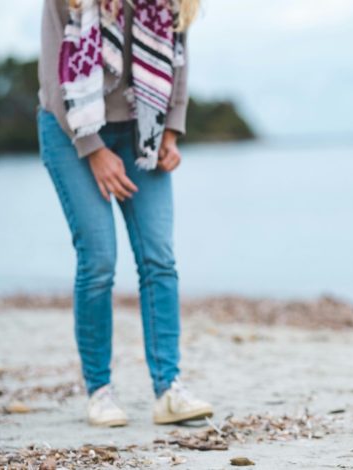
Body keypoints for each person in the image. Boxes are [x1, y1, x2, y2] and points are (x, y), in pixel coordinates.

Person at [37, 0, 212, 427]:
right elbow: (54, 74)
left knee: (159, 260)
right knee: (98, 261)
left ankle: (168, 389)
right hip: (70, 132)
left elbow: (177, 57)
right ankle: (99, 392)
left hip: (141, 128)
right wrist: (93, 151)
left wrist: (170, 131)